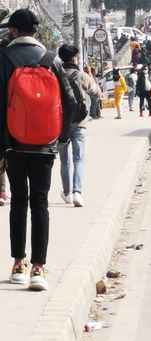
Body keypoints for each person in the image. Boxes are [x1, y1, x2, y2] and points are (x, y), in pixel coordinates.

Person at [0, 9, 77, 290]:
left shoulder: (4, 58)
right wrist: (61, 137)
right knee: (41, 203)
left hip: (14, 146)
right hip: (45, 146)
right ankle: (38, 268)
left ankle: (18, 263)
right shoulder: (52, 59)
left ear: (14, 31)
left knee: (18, 201)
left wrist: (2, 149)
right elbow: (71, 104)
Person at [57, 44, 100, 208]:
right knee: (78, 159)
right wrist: (90, 75)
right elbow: (97, 93)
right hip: (80, 122)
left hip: (61, 124)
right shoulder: (81, 76)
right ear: (74, 58)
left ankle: (67, 192)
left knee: (64, 160)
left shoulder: (55, 75)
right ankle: (77, 192)